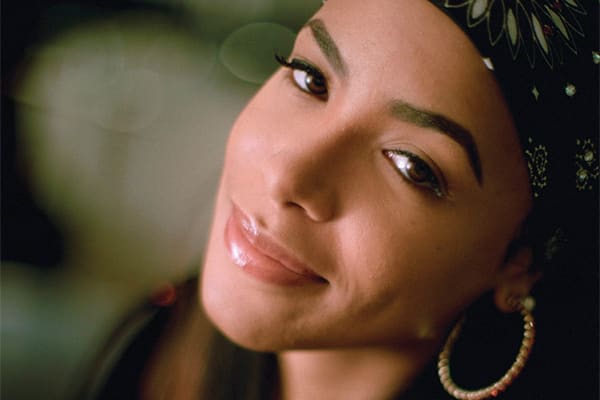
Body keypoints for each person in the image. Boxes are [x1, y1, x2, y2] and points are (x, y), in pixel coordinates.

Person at [86, 0, 598, 399]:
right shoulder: (156, 346)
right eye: (310, 79)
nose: (286, 177)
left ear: (520, 263)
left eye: (411, 166)